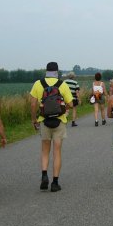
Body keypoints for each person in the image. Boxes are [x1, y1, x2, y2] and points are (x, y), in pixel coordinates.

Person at [30, 62, 73, 192]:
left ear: (46, 70)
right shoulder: (62, 84)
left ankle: (44, 175)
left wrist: (34, 119)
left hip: (44, 121)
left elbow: (32, 104)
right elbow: (70, 104)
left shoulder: (38, 84)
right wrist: (63, 108)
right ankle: (55, 182)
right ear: (57, 71)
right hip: (59, 121)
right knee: (57, 152)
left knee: (45, 151)